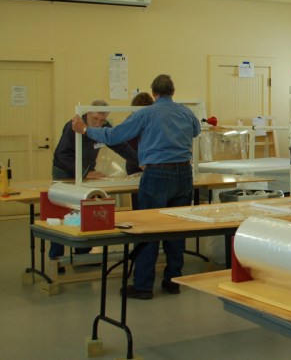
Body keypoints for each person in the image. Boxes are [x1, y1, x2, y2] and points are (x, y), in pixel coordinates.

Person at [72, 75, 201, 300]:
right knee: (176, 229)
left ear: (154, 93)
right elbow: (196, 132)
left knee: (147, 230)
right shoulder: (186, 112)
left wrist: (85, 130)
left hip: (158, 173)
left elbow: (114, 135)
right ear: (173, 91)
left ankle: (143, 286)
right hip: (184, 174)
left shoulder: (146, 113)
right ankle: (173, 281)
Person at [49, 99, 138, 261]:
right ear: (87, 114)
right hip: (65, 172)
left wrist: (141, 162)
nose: (98, 124)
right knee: (62, 214)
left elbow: (121, 146)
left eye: (102, 120)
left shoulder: (105, 127)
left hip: (85, 173)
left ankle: (83, 255)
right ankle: (56, 258)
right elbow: (62, 156)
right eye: (94, 120)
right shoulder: (73, 126)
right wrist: (85, 173)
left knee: (85, 211)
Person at [125, 91, 155, 210]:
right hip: (141, 162)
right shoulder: (134, 120)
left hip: (139, 163)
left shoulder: (131, 119)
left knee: (139, 200)